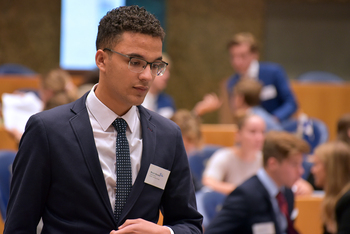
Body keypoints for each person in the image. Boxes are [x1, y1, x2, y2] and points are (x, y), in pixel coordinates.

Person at [4, 5, 202, 234]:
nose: (147, 76)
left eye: (155, 65)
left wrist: (164, 233)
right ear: (102, 60)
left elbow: (190, 225)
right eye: (135, 62)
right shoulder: (48, 130)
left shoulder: (168, 135)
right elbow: (19, 227)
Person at [205, 131, 309, 234]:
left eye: (300, 164)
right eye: (294, 164)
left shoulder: (286, 193)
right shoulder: (245, 196)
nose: (301, 171)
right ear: (273, 164)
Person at [226, 32, 298, 123]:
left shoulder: (273, 72)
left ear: (255, 55)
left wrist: (273, 119)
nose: (237, 62)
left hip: (277, 127)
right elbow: (237, 114)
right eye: (233, 57)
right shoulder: (232, 83)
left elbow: (291, 103)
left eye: (242, 56)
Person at [202, 114, 265, 195]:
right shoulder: (223, 156)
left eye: (262, 132)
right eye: (252, 131)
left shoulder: (265, 160)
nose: (259, 138)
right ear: (238, 135)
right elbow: (208, 182)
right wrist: (243, 191)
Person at [311, 141, 350, 234]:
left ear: (331, 168)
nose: (313, 170)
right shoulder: (333, 200)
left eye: (316, 164)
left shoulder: (348, 201)